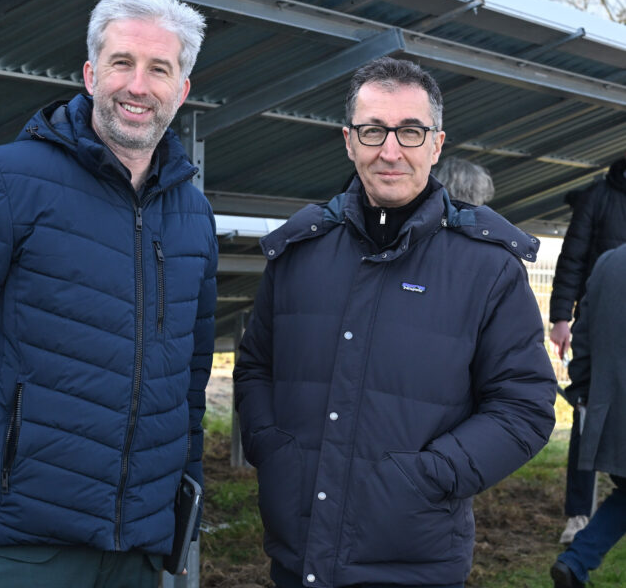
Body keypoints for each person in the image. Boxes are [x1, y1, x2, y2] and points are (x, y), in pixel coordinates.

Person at [0, 0, 216, 588]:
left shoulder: (192, 212)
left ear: (182, 89)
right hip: (26, 538)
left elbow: (188, 383)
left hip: (139, 543)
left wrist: (182, 508)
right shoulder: (4, 182)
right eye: (121, 63)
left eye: (159, 69)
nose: (137, 85)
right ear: (90, 75)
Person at [233, 57, 557, 588]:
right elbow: (255, 368)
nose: (390, 150)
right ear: (348, 140)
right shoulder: (300, 251)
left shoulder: (487, 266)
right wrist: (274, 449)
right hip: (297, 556)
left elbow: (525, 405)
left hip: (414, 561)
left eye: (409, 131)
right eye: (372, 130)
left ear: (436, 143)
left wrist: (428, 477)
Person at [548, 152, 626, 544]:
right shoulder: (598, 197)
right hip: (603, 324)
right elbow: (572, 258)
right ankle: (579, 513)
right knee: (587, 412)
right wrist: (562, 316)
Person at [550, 243, 626, 588]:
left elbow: (583, 336)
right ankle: (577, 561)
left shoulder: (609, 262)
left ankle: (576, 562)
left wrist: (582, 391)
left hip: (615, 416)